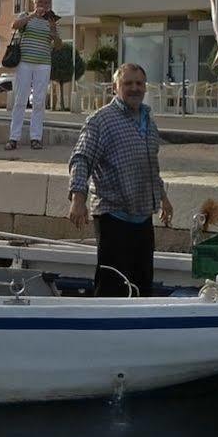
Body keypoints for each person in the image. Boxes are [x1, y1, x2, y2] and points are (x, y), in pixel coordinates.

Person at [67, 63, 173, 299]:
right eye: (128, 83)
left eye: (139, 83)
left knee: (143, 285)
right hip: (113, 217)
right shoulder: (101, 120)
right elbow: (81, 158)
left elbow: (151, 167)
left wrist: (163, 198)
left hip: (143, 216)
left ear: (145, 87)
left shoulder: (148, 121)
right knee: (112, 286)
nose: (134, 88)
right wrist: (78, 198)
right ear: (115, 87)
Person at [5, 0, 59, 152]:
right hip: (25, 63)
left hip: (43, 63)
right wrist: (31, 16)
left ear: (49, 4)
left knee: (39, 101)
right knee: (20, 99)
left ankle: (36, 137)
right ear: (34, 2)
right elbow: (14, 25)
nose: (42, 5)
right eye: (39, 1)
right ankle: (14, 137)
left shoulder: (51, 21)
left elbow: (58, 45)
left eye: (45, 2)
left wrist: (52, 30)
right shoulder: (26, 16)